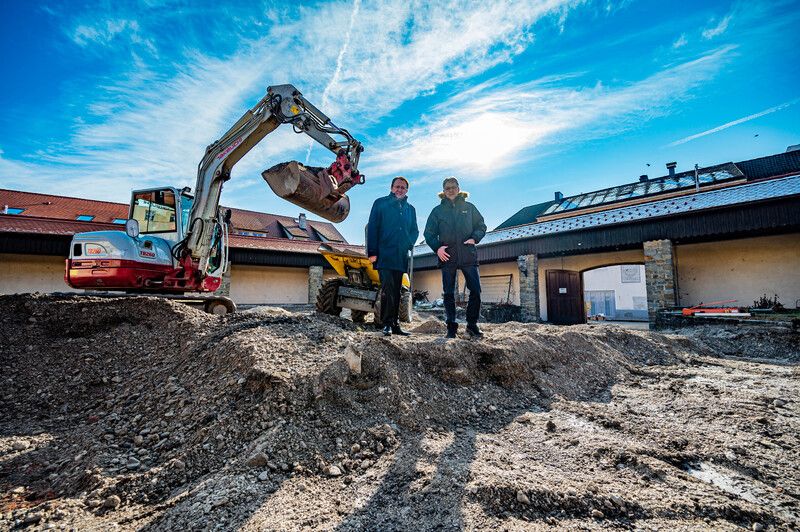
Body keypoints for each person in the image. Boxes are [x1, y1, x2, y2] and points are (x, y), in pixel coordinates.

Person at [424, 177, 487, 339]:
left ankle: (472, 325)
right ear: (443, 192)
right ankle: (451, 327)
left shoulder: (469, 207)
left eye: (453, 187)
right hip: (447, 256)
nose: (451, 190)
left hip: (468, 254)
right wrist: (437, 248)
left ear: (459, 189)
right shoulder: (437, 212)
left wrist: (474, 238)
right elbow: (428, 233)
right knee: (449, 293)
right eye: (447, 188)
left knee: (476, 291)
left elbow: (481, 225)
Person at [367, 176, 419, 336]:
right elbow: (373, 228)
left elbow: (414, 231)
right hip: (384, 254)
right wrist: (372, 253)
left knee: (397, 290)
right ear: (391, 188)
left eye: (403, 187)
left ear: (407, 190)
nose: (400, 189)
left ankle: (395, 325)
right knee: (387, 289)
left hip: (400, 255)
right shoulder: (380, 203)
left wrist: (407, 243)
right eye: (397, 186)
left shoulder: (410, 209)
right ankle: (387, 324)